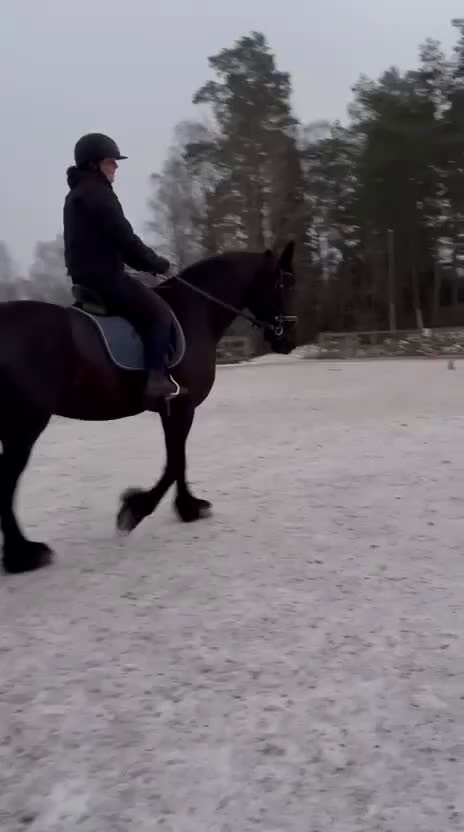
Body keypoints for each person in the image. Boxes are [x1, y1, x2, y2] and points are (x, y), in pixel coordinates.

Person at [63, 132, 185, 409]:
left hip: (85, 277)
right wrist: (159, 265)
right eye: (110, 162)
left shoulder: (78, 193)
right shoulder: (98, 193)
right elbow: (125, 240)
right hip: (106, 278)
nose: (115, 168)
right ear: (94, 164)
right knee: (159, 313)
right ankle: (156, 379)